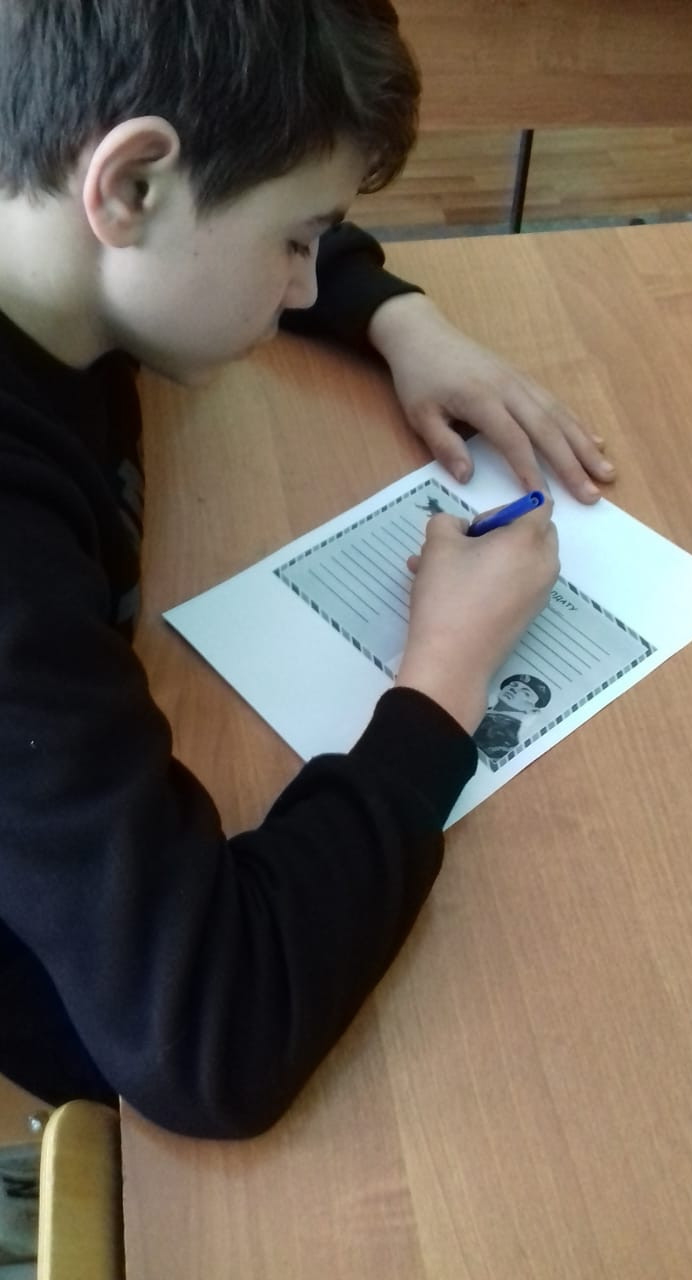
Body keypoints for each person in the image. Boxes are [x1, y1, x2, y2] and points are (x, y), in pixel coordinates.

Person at [0, 0, 614, 1139]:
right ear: (127, 187)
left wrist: (398, 317)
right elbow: (212, 1034)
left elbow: (224, 200)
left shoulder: (39, 202)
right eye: (295, 242)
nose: (303, 285)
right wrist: (445, 674)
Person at [473, 674, 552, 761]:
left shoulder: (505, 738)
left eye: (525, 693)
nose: (514, 689)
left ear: (533, 710)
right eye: (513, 685)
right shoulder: (481, 707)